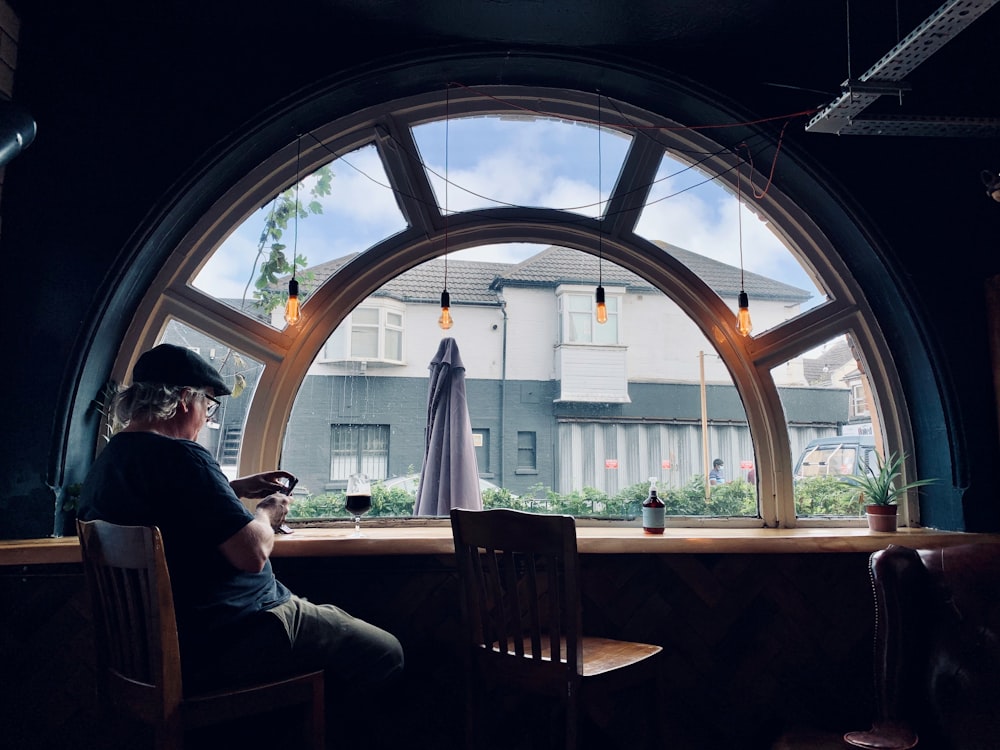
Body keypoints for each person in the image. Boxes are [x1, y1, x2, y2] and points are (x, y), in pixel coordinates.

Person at [77, 343, 403, 698]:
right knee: (384, 652)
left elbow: (170, 511)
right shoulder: (183, 457)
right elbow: (252, 554)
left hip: (156, 650)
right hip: (233, 636)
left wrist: (231, 488)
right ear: (186, 399)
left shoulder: (111, 461)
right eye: (208, 405)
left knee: (331, 619)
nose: (206, 419)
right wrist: (267, 512)